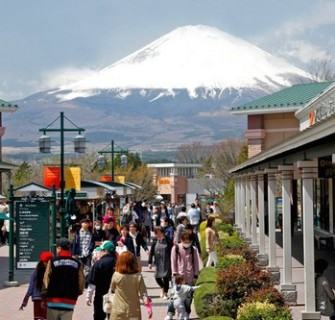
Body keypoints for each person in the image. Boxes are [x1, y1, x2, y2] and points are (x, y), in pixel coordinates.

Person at [43, 238, 85, 320]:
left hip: (53, 300)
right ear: (69, 249)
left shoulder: (52, 262)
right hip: (69, 301)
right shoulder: (77, 263)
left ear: (59, 248)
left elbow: (46, 279)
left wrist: (45, 293)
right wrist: (78, 292)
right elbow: (81, 281)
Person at [110, 251, 151, 320]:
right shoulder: (138, 276)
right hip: (133, 311)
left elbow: (112, 289)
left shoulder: (116, 275)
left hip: (118, 310)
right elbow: (144, 295)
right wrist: (148, 307)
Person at [171, 232, 200, 318]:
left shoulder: (193, 249)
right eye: (185, 241)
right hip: (178, 277)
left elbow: (196, 262)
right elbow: (173, 261)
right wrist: (174, 273)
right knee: (176, 296)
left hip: (189, 276)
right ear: (182, 240)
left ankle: (187, 313)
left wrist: (195, 274)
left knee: (188, 297)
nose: (187, 243)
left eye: (189, 241)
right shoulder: (175, 248)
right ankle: (172, 313)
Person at [86, 241, 117, 320]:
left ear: (105, 251)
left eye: (100, 250)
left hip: (101, 296)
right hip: (117, 297)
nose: (99, 252)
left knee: (99, 316)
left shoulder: (99, 263)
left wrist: (88, 297)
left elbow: (92, 282)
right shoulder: (119, 263)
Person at [20, 251, 53, 320]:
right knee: (45, 316)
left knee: (37, 316)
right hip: (46, 299)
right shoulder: (51, 272)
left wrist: (25, 301)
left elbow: (31, 287)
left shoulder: (35, 271)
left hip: (36, 298)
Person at [148, 227, 172, 299]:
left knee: (166, 277)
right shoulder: (155, 240)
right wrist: (150, 262)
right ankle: (162, 287)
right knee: (157, 277)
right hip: (158, 261)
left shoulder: (168, 240)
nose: (157, 234)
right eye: (156, 233)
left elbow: (172, 250)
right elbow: (151, 251)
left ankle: (165, 293)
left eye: (158, 232)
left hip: (167, 261)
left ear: (162, 232)